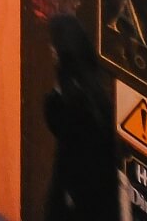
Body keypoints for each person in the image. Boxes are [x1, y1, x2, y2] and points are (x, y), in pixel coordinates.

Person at [42, 14, 118, 221]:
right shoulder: (96, 91)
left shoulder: (73, 100)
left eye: (54, 46)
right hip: (99, 199)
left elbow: (55, 121)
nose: (51, 50)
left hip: (76, 200)